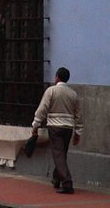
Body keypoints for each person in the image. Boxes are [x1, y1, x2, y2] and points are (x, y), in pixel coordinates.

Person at [31, 66, 84, 194]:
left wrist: (35, 125)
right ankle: (56, 179)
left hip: (55, 127)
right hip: (68, 128)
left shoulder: (51, 91)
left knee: (58, 154)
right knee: (62, 153)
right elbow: (78, 114)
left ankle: (67, 183)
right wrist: (78, 132)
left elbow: (42, 109)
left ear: (57, 77)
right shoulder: (73, 94)